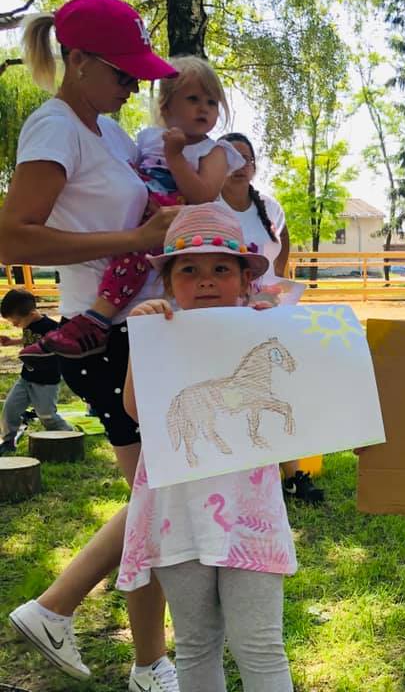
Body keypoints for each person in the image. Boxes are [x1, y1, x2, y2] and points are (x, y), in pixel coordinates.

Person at [0, 0, 181, 691]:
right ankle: (66, 614)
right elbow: (13, 236)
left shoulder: (107, 131)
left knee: (158, 496)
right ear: (76, 61)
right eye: (122, 72)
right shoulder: (54, 127)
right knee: (158, 495)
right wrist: (135, 236)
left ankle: (142, 658)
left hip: (145, 329)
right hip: (107, 339)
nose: (133, 85)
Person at [119, 204, 297, 692]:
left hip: (251, 513)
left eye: (221, 268)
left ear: (244, 280)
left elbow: (303, 401)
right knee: (195, 642)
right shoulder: (158, 332)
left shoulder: (263, 325)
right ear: (168, 282)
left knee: (260, 644)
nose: (205, 281)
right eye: (189, 270)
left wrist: (275, 329)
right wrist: (141, 342)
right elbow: (136, 410)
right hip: (177, 513)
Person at [21, 55, 244, 360]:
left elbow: (203, 195)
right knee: (130, 255)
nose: (204, 108)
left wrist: (175, 157)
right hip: (146, 228)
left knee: (135, 257)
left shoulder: (215, 150)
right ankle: (91, 322)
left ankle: (96, 319)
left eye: (212, 102)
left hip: (176, 226)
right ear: (166, 106)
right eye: (193, 99)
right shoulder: (147, 138)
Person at [219, 132, 324, 505]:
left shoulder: (269, 206)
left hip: (267, 313)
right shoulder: (205, 205)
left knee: (278, 390)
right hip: (223, 318)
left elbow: (282, 243)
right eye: (229, 157)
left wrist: (275, 283)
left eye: (246, 158)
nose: (239, 165)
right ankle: (242, 476)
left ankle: (294, 474)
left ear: (254, 165)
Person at [0, 288, 73, 452]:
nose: (14, 325)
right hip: (25, 379)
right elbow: (30, 338)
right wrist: (12, 341)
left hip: (46, 382)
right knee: (9, 410)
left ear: (32, 314)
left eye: (16, 322)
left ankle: (69, 435)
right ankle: (8, 441)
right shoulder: (28, 323)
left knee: (46, 415)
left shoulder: (52, 328)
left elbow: (61, 348)